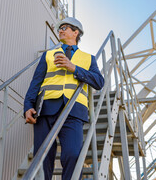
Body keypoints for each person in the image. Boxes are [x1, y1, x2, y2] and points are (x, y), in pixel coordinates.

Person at [24, 17, 104, 180]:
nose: (60, 30)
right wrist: (27, 106)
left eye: (65, 27)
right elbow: (35, 83)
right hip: (45, 110)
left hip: (74, 112)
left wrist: (73, 67)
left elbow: (99, 82)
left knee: (73, 155)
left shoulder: (89, 59)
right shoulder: (48, 55)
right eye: (60, 28)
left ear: (76, 32)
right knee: (42, 158)